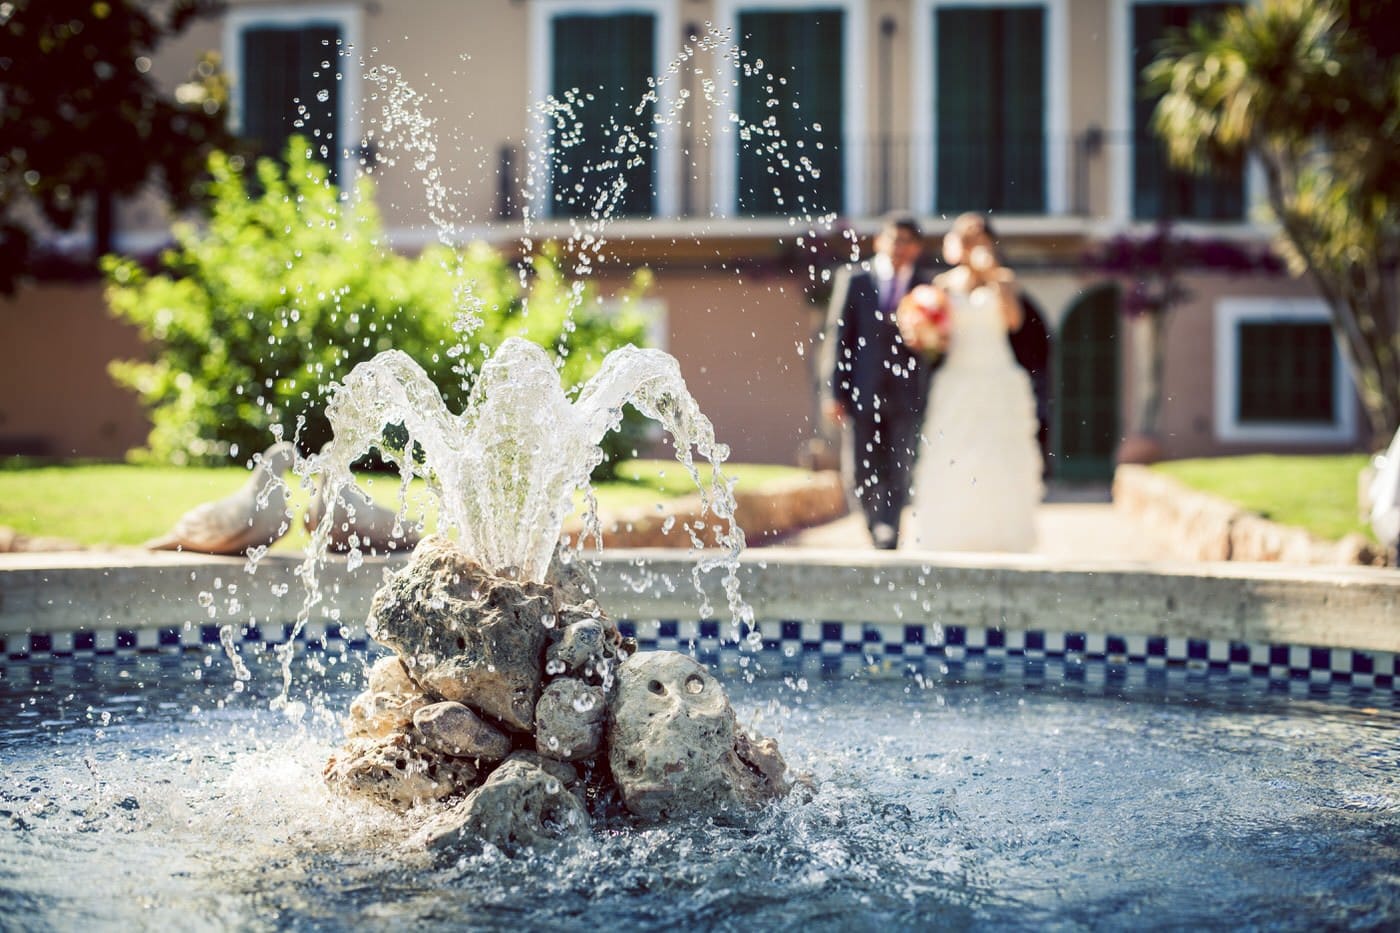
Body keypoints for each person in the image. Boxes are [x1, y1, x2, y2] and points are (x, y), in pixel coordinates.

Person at [899, 213, 1044, 552]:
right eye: (964, 237)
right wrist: (924, 334)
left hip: (997, 376)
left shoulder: (1004, 280)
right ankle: (952, 532)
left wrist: (991, 275)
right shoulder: (943, 285)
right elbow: (939, 339)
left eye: (978, 237)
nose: (971, 244)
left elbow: (1013, 322)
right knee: (955, 452)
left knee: (1000, 454)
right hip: (958, 380)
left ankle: (1004, 534)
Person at [821, 213, 940, 549]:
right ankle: (874, 524)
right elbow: (838, 338)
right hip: (862, 390)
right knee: (860, 466)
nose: (898, 247)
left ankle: (890, 527)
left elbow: (936, 346)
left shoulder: (926, 286)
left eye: (906, 241)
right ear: (879, 242)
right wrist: (834, 392)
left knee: (898, 465)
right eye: (893, 239)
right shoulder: (856, 280)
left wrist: (926, 342)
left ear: (916, 248)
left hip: (907, 394)